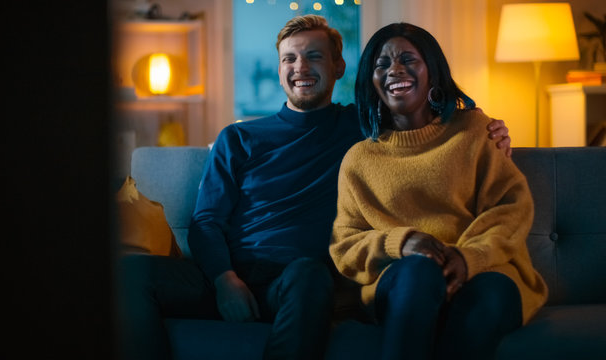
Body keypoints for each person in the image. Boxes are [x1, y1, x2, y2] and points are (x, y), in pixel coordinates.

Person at [119, 15, 513, 360]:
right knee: (126, 273)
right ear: (279, 69)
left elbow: (429, 120)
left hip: (297, 282)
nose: (300, 67)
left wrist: (490, 128)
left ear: (339, 66)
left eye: (314, 56)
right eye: (289, 58)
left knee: (308, 274)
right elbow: (207, 221)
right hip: (229, 277)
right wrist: (225, 279)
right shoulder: (238, 138)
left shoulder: (364, 129)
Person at [329, 22, 549, 360]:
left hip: (486, 271)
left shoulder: (475, 130)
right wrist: (402, 243)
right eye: (382, 64)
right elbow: (345, 244)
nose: (394, 70)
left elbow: (511, 207)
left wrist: (467, 257)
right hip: (403, 282)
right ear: (371, 82)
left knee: (485, 297)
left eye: (408, 59)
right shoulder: (359, 159)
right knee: (419, 271)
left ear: (432, 70)